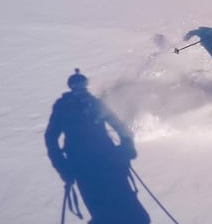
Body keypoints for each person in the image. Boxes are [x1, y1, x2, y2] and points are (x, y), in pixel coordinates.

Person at [45, 69, 150, 224]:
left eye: (83, 85)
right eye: (77, 85)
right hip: (89, 169)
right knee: (110, 214)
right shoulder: (64, 107)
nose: (81, 88)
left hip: (103, 165)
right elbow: (50, 138)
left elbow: (119, 125)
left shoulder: (93, 103)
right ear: (71, 87)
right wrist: (63, 167)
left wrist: (126, 146)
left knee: (132, 215)